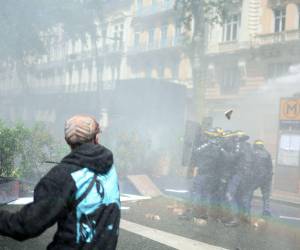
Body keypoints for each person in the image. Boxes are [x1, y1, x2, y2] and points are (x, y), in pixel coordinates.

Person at [0, 115, 120, 249]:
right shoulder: (109, 166)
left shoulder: (62, 177)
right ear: (97, 138)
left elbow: (25, 226)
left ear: (67, 141)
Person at [243, 140, 273, 217]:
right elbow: (270, 167)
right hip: (265, 178)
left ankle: (246, 210)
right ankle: (266, 210)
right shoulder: (267, 153)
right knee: (266, 196)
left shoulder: (252, 153)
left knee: (248, 193)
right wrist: (269, 177)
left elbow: (249, 165)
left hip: (254, 178)